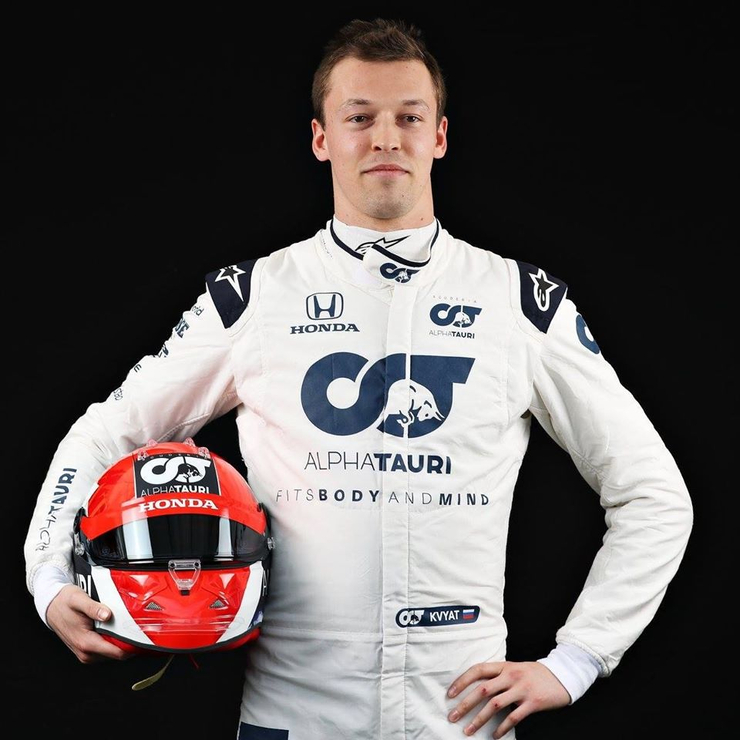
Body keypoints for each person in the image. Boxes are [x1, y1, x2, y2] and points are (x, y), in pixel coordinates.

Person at [24, 17, 693, 740]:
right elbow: (107, 432)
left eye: (410, 117)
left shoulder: (519, 301)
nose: (385, 139)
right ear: (321, 139)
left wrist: (579, 660)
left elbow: (655, 494)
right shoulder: (256, 297)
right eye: (359, 117)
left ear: (440, 137)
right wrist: (49, 578)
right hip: (293, 714)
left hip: (462, 719)